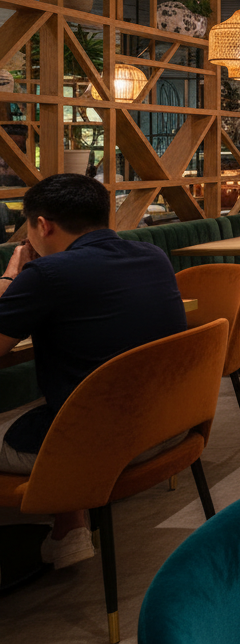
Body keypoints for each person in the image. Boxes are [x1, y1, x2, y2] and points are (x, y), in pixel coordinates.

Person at [0, 174, 187, 568]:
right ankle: (69, 527)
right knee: (65, 397)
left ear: (42, 225)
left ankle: (69, 520)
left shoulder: (46, 275)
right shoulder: (154, 256)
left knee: (50, 412)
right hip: (166, 426)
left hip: (98, 444)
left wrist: (11, 276)